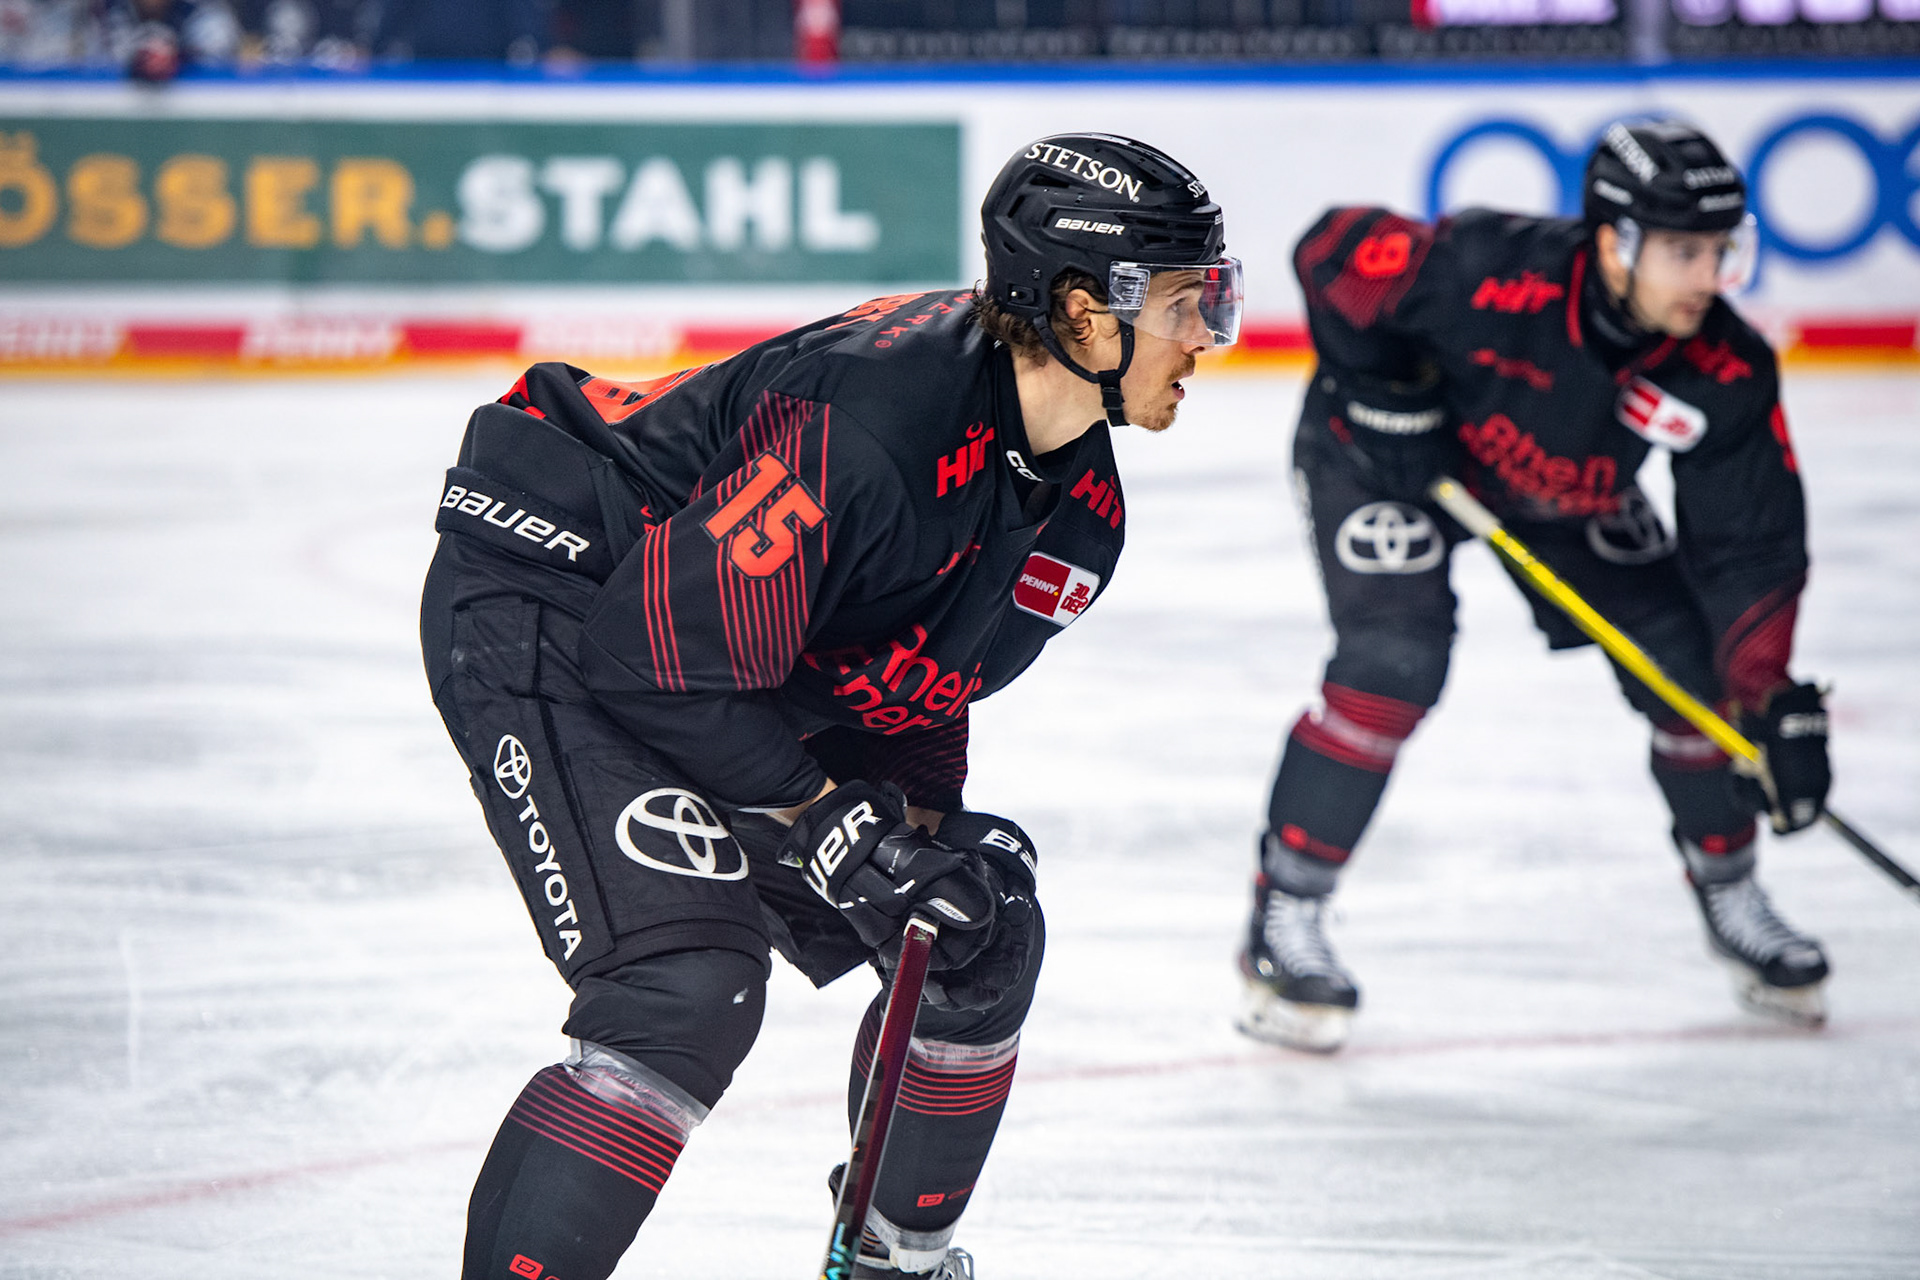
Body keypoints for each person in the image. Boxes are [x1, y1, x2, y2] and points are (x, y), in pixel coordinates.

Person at [422, 132, 1242, 1279]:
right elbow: (659, 658)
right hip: (557, 593)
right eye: (1183, 303)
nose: (1207, 335)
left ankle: (894, 1260)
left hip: (703, 641)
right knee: (681, 984)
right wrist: (821, 816)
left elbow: (908, 685)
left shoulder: (1079, 515)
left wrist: (909, 843)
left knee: (974, 930)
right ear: (1080, 310)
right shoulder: (870, 424)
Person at [1240, 119, 1833, 1053]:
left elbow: (1749, 549)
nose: (1709, 277)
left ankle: (1732, 890)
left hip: (1563, 492)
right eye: (1685, 251)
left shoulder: (1723, 365)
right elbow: (1330, 248)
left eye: (1722, 250)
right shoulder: (1489, 268)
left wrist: (1770, 700)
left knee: (1691, 673)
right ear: (1613, 241)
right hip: (1389, 464)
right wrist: (1378, 389)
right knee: (1391, 664)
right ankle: (1286, 914)